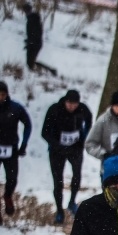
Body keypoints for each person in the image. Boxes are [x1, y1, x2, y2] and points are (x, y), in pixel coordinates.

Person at [42, 89, 93, 223]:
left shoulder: (82, 109)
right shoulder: (54, 110)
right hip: (57, 151)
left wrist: (84, 138)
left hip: (75, 148)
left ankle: (72, 202)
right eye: (70, 103)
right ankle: (59, 210)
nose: (72, 107)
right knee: (58, 181)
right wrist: (56, 145)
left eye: (75, 104)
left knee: (77, 174)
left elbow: (89, 119)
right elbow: (44, 132)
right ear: (65, 101)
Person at [85, 90, 118, 181]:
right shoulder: (103, 121)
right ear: (112, 106)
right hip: (109, 169)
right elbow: (90, 144)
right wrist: (104, 154)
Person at [0, 81, 32, 225]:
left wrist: (23, 144)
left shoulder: (15, 108)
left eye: (2, 94)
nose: (0, 97)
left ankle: (7, 196)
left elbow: (28, 124)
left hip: (11, 149)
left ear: (6, 94)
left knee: (12, 179)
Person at [22, 3, 57, 75]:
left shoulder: (32, 20)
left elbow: (35, 34)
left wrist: (30, 42)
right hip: (35, 43)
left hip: (35, 44)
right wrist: (28, 41)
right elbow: (34, 33)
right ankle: (49, 71)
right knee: (30, 62)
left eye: (25, 11)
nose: (25, 12)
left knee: (30, 63)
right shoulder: (33, 19)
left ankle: (50, 71)